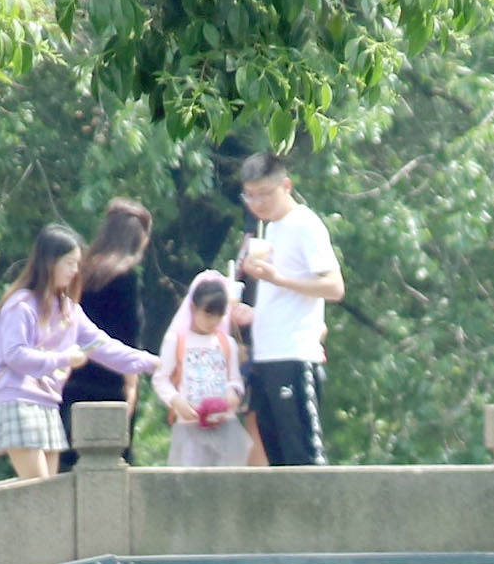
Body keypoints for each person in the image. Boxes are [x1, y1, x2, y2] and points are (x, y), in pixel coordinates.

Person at [0, 224, 157, 479]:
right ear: (49, 262)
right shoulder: (20, 306)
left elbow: (103, 346)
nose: (75, 271)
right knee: (39, 491)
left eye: (77, 263)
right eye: (69, 263)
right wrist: (64, 358)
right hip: (18, 400)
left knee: (50, 493)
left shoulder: (68, 310)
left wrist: (152, 363)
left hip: (49, 403)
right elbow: (15, 355)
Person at [229, 153, 341, 468]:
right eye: (249, 195)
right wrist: (252, 314)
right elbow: (283, 298)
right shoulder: (270, 229)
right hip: (265, 358)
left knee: (303, 458)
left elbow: (334, 287)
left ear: (286, 186)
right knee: (278, 462)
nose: (257, 202)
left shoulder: (304, 224)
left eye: (265, 193)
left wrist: (277, 278)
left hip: (294, 356)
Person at [61, 199, 155, 466]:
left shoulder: (79, 274)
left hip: (70, 380)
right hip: (110, 385)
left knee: (69, 464)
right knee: (113, 462)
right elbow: (129, 336)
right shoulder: (126, 278)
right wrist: (131, 386)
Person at [151, 273, 258, 469]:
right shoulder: (176, 341)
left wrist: (232, 393)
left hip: (224, 424)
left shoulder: (227, 343)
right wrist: (176, 401)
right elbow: (161, 379)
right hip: (189, 424)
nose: (213, 321)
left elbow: (234, 379)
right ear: (193, 308)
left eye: (219, 316)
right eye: (208, 314)